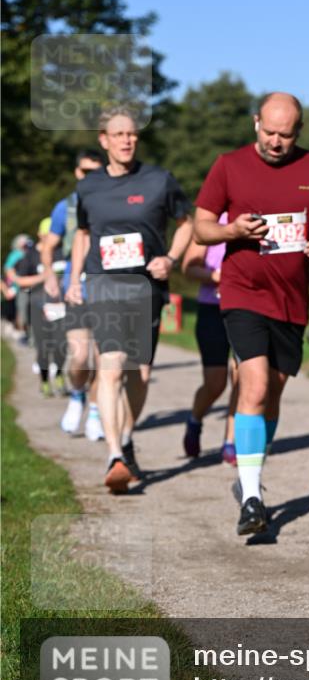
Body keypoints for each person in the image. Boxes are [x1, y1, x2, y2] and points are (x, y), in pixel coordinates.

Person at [194, 91, 309, 535]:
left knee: (272, 395)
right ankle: (252, 497)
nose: (276, 142)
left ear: (299, 131)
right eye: (270, 132)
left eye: (286, 135)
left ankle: (250, 474)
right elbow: (201, 227)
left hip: (291, 301)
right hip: (242, 292)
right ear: (256, 122)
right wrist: (230, 230)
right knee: (252, 385)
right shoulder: (229, 165)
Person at [66, 108, 192, 493]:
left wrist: (169, 259)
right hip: (104, 283)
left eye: (132, 134)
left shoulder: (159, 180)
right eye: (118, 134)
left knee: (139, 373)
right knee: (111, 367)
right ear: (103, 140)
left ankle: (127, 435)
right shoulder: (89, 187)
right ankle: (115, 455)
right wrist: (74, 280)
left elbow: (188, 223)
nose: (127, 140)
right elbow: (83, 235)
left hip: (145, 288)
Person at [42, 148, 105, 439]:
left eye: (96, 172)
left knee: (101, 357)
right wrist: (49, 277)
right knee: (80, 357)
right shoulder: (64, 208)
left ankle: (95, 410)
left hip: (108, 286)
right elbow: (49, 245)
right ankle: (77, 394)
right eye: (84, 172)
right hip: (75, 286)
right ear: (76, 173)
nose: (89, 177)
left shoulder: (113, 202)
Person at [181, 216, 239, 463]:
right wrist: (219, 276)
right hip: (212, 308)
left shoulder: (259, 213)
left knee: (243, 378)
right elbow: (189, 267)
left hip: (246, 309)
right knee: (215, 383)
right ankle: (195, 420)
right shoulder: (212, 220)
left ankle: (231, 442)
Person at [13, 218, 67, 395]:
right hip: (36, 305)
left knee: (61, 345)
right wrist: (44, 277)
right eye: (46, 235)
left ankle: (59, 374)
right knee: (43, 347)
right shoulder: (30, 255)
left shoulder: (60, 253)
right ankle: (44, 381)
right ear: (40, 235)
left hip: (59, 306)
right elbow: (20, 281)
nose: (51, 238)